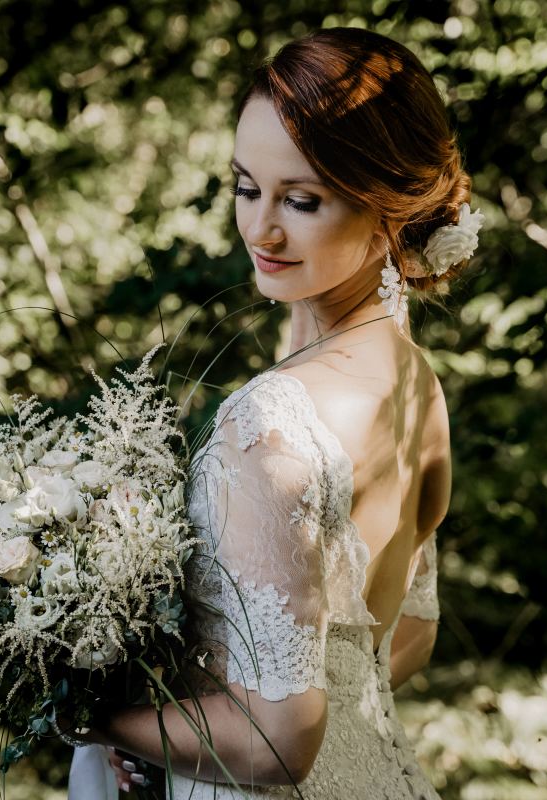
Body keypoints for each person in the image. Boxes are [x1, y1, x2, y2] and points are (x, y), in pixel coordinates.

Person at [68, 26, 482, 798]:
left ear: (388, 206)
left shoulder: (272, 425)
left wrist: (91, 713)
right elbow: (410, 639)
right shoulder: (415, 385)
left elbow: (274, 746)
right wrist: (178, 737)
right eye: (246, 187)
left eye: (301, 200)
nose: (261, 228)